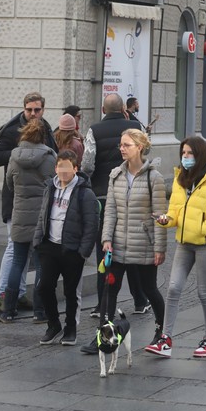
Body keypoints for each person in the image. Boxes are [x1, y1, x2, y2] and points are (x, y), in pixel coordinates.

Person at [81, 129, 168, 354]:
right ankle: (103, 336)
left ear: (139, 147)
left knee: (150, 289)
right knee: (110, 289)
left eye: (126, 145)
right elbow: (110, 210)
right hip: (118, 244)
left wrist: (160, 247)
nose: (121, 148)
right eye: (121, 144)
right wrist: (107, 238)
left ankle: (161, 331)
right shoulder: (115, 175)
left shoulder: (153, 177)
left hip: (143, 244)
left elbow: (160, 215)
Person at [149, 136, 206, 358]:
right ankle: (166, 339)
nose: (185, 157)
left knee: (204, 292)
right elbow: (176, 212)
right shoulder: (181, 179)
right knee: (173, 288)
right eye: (183, 153)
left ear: (199, 155)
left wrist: (204, 227)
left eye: (189, 153)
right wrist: (166, 219)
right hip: (184, 243)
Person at [0, 92, 57, 313]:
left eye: (37, 109)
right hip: (15, 198)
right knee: (14, 249)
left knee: (24, 252)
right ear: (23, 109)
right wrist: (19, 154)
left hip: (39, 200)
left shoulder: (45, 127)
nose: (33, 114)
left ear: (43, 109)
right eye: (29, 110)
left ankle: (19, 294)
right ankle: (3, 295)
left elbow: (55, 154)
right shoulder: (11, 129)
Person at [81, 93, 151, 319]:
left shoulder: (93, 130)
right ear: (123, 108)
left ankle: (101, 303)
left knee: (105, 250)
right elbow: (145, 156)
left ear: (103, 109)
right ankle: (140, 300)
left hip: (102, 195)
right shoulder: (135, 126)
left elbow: (87, 163)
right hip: (132, 196)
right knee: (130, 250)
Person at [33, 150, 98, 346]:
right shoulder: (49, 188)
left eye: (67, 167)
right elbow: (43, 215)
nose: (63, 171)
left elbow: (91, 224)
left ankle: (71, 328)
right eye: (60, 167)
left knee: (71, 292)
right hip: (49, 246)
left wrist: (83, 252)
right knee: (44, 287)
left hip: (72, 249)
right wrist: (38, 241)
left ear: (75, 169)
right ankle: (54, 325)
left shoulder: (85, 193)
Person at [0, 118, 57, 323]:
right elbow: (55, 185)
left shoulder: (14, 157)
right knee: (41, 265)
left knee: (17, 262)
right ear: (43, 136)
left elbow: (9, 184)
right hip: (42, 218)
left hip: (19, 215)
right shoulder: (50, 157)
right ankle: (39, 312)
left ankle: (8, 310)